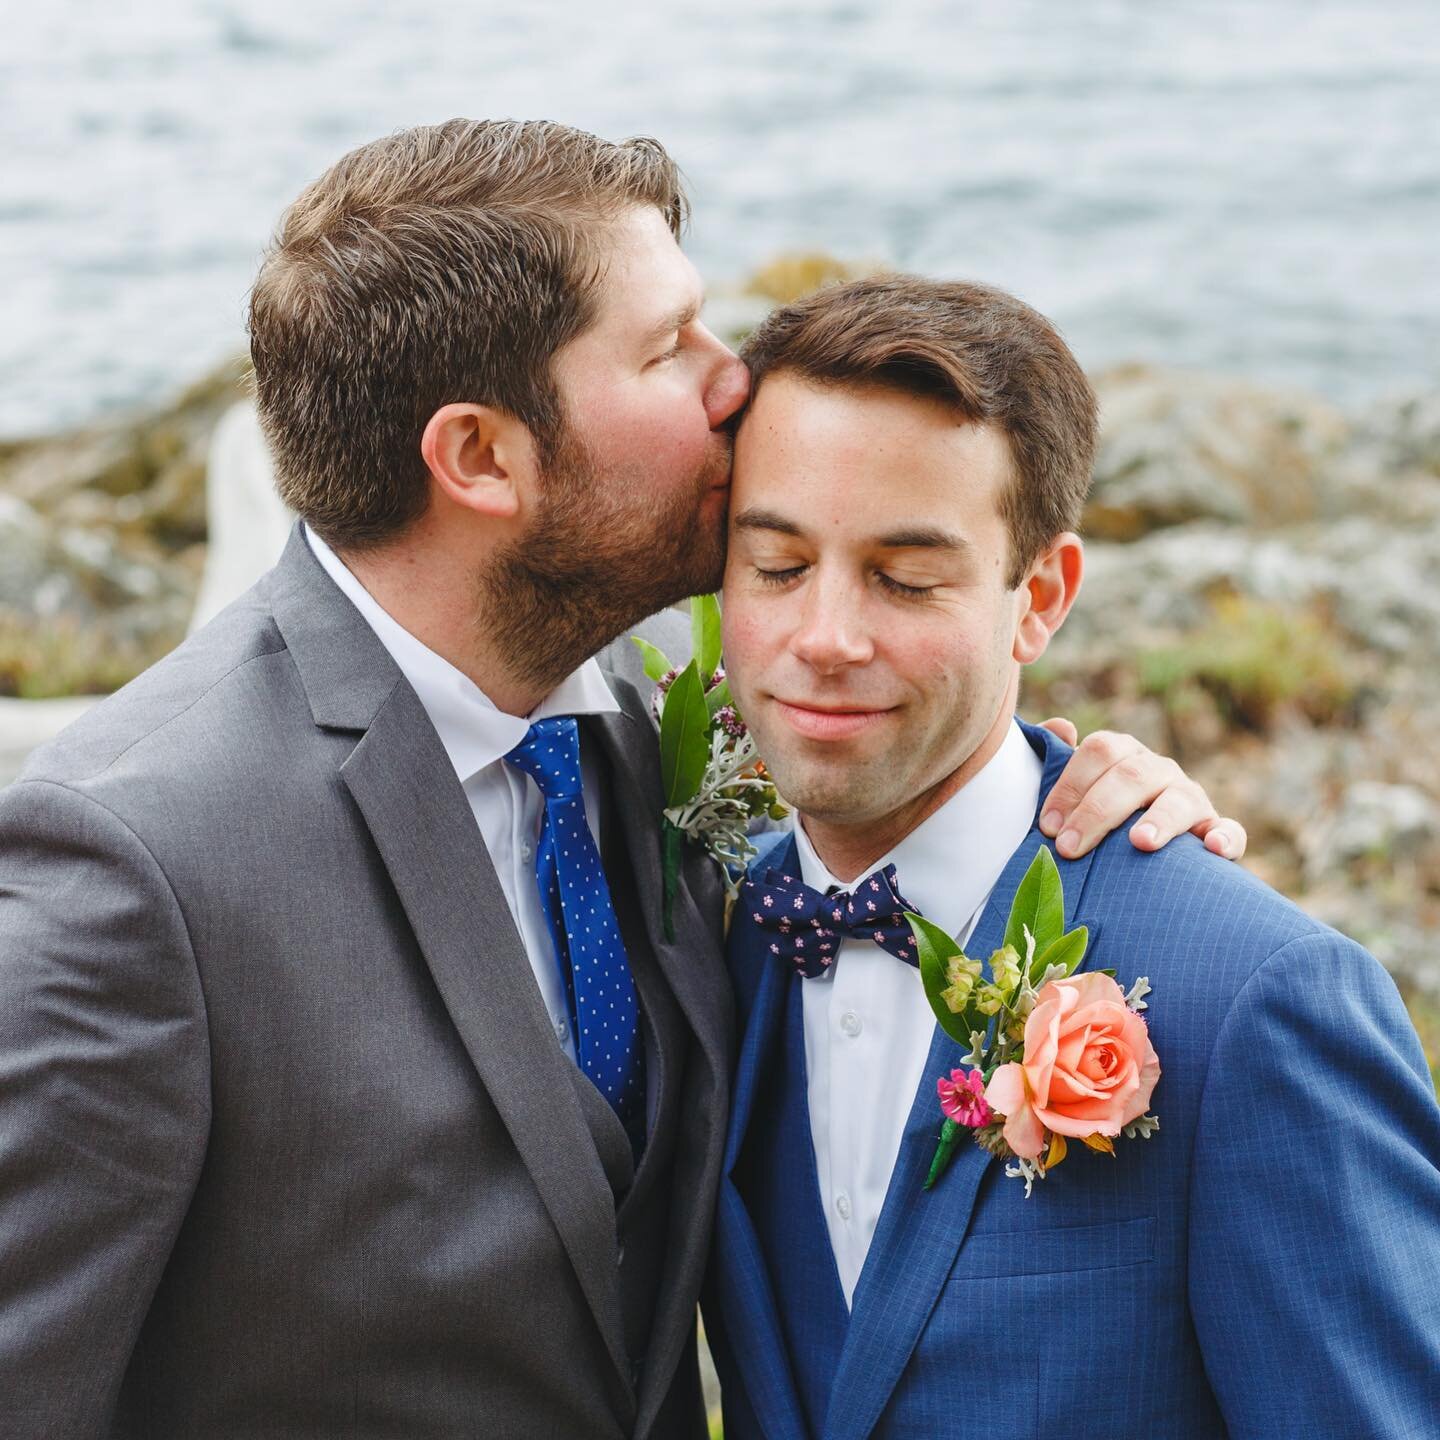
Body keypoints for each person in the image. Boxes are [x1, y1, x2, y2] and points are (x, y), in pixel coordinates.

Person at [0, 121, 1243, 1439]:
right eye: (670, 348)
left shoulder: (656, 721)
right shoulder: (129, 862)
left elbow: (881, 796)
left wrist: (1092, 810)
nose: (736, 382)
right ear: (481, 456)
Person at [705, 274, 1440, 1439]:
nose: (824, 639)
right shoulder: (701, 922)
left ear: (1039, 596)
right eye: (780, 566)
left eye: (906, 577)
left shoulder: (1256, 1004)